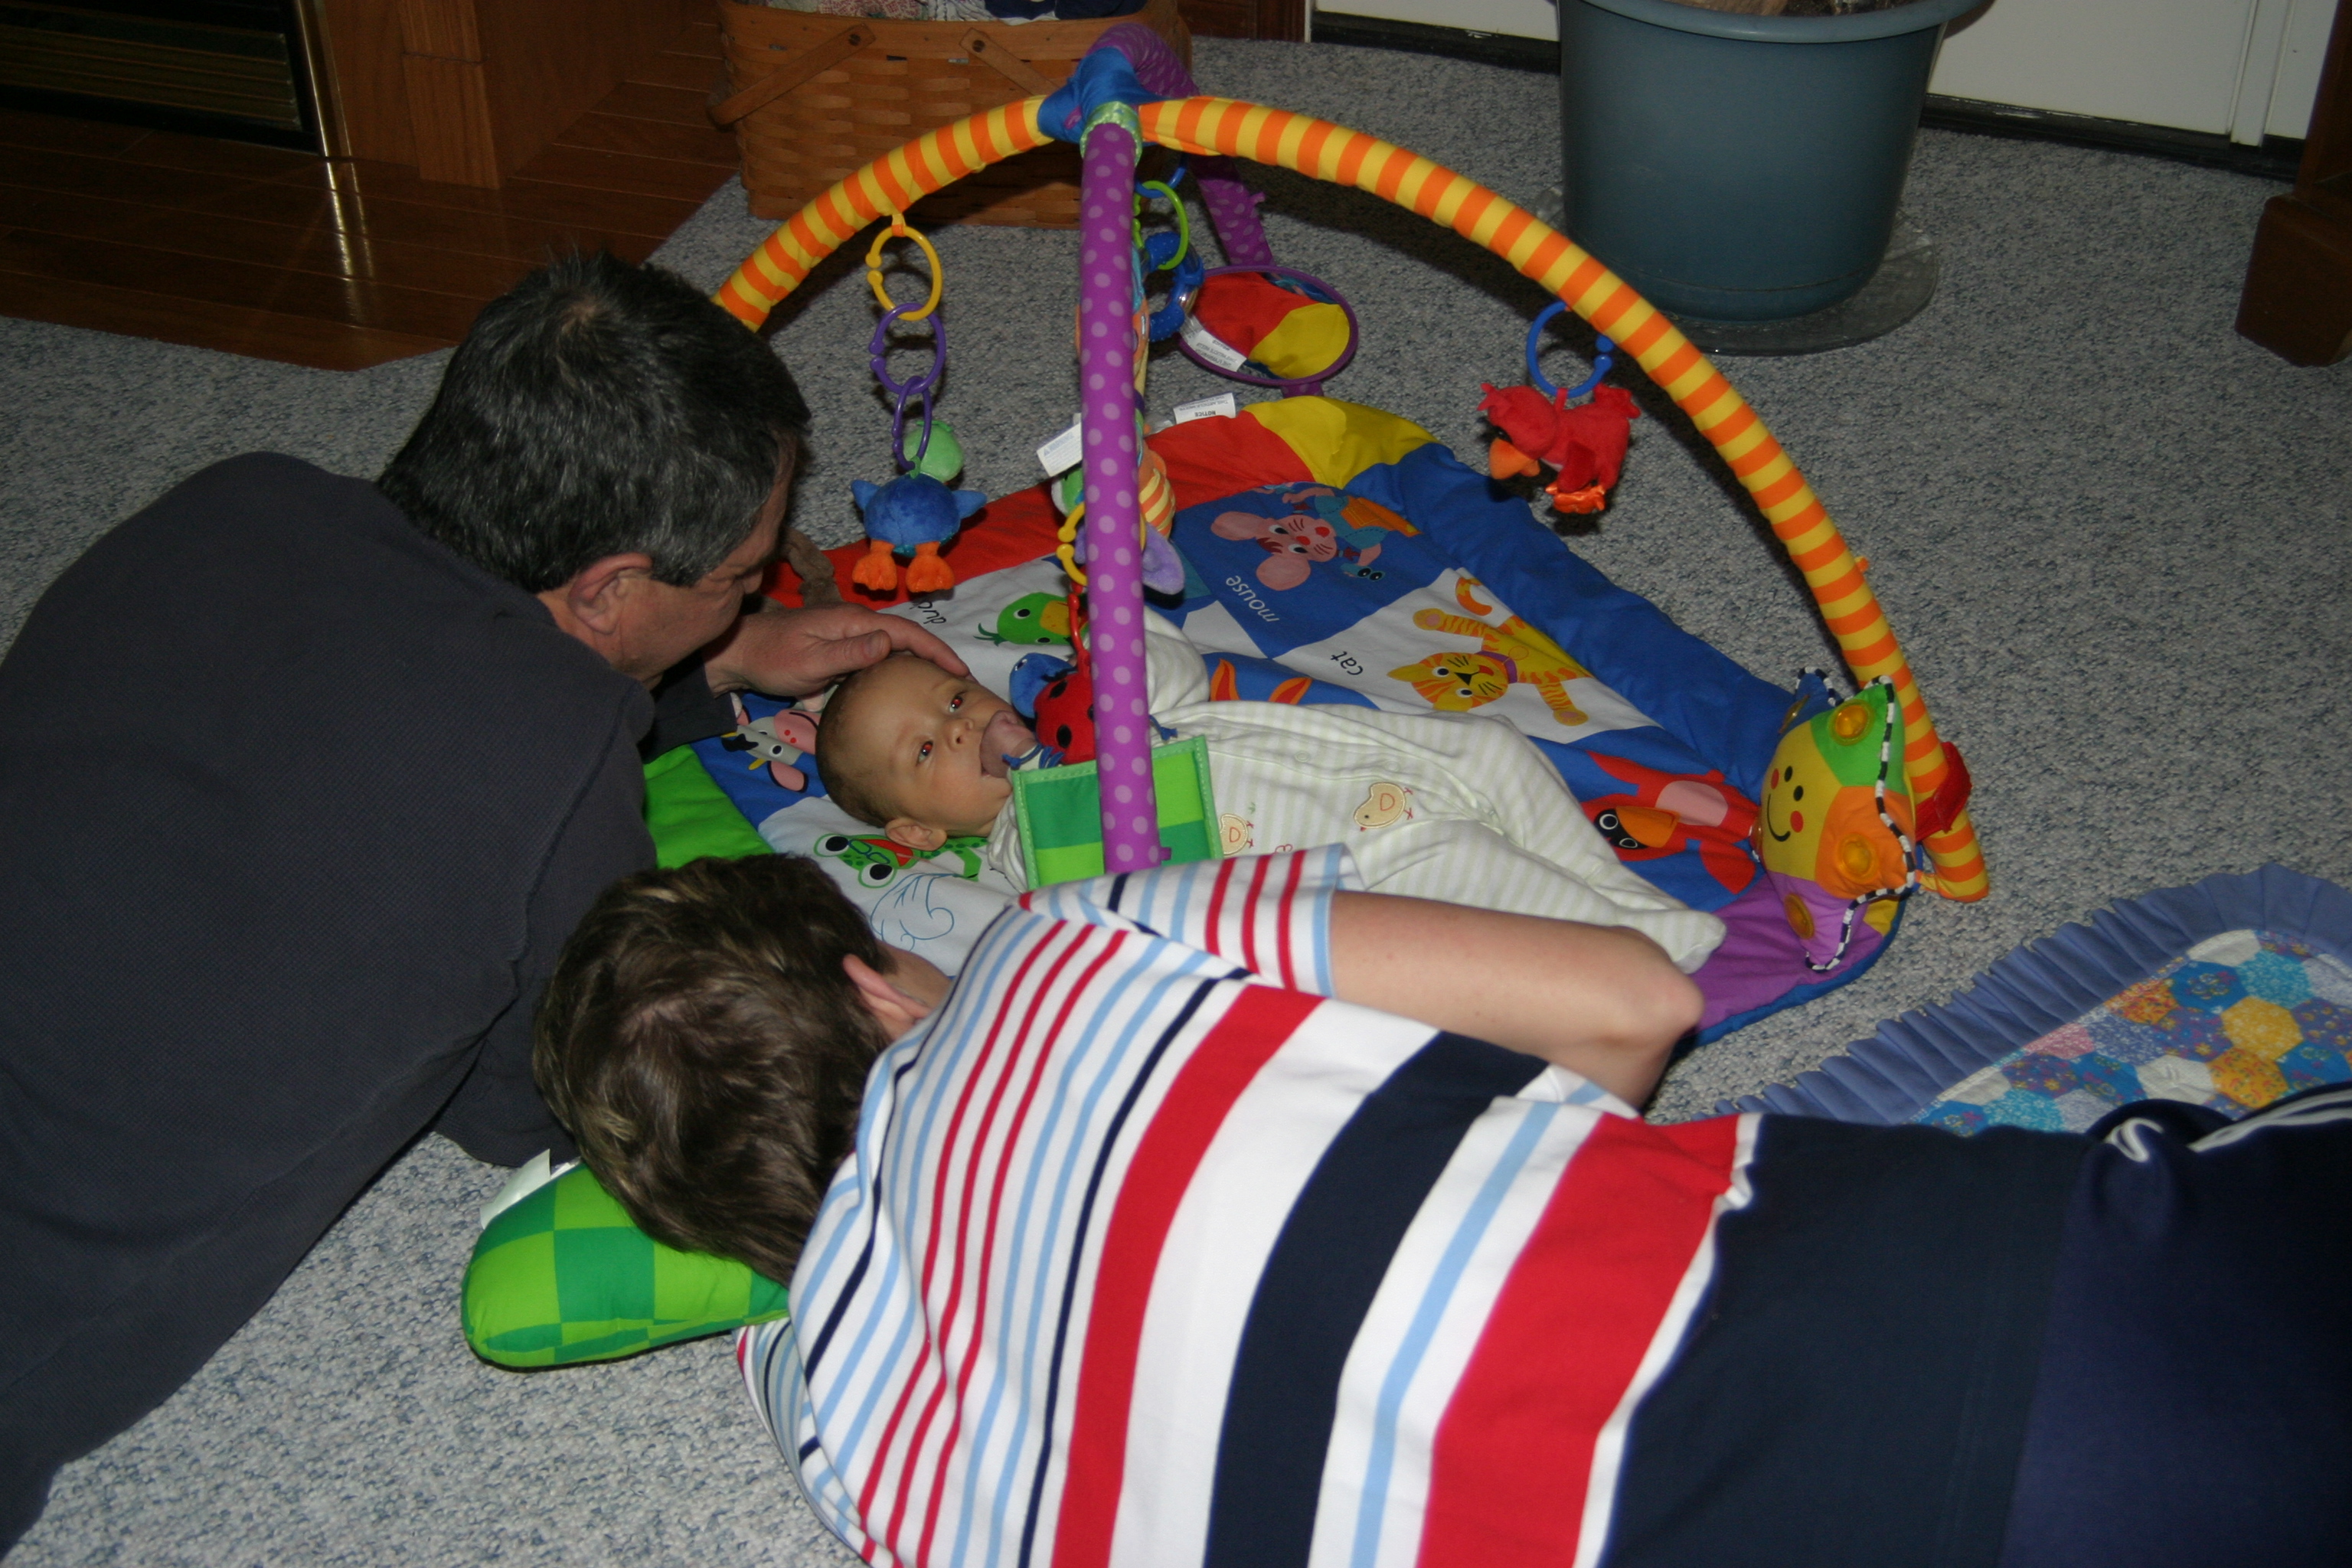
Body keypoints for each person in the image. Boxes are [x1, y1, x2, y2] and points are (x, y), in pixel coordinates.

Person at [537, 848, 2352, 1568]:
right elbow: (1631, 1002)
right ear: (872, 980)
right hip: (2044, 1369)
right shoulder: (1055, 943)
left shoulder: (837, 1415)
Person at [0, 251, 967, 1550]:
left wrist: (718, 658)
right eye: (741, 578)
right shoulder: (550, 759)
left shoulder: (239, 494)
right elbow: (554, 1094)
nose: (757, 592)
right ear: (610, 588)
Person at [812, 603, 1726, 972]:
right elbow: (1085, 931)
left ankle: (1621, 895)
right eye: (925, 751)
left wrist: (1109, 658)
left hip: (1387, 766)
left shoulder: (1079, 709)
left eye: (955, 699)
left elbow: (1172, 671)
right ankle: (1628, 951)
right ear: (918, 831)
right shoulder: (1026, 850)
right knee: (1465, 859)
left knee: (1497, 746)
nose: (960, 727)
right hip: (1353, 864)